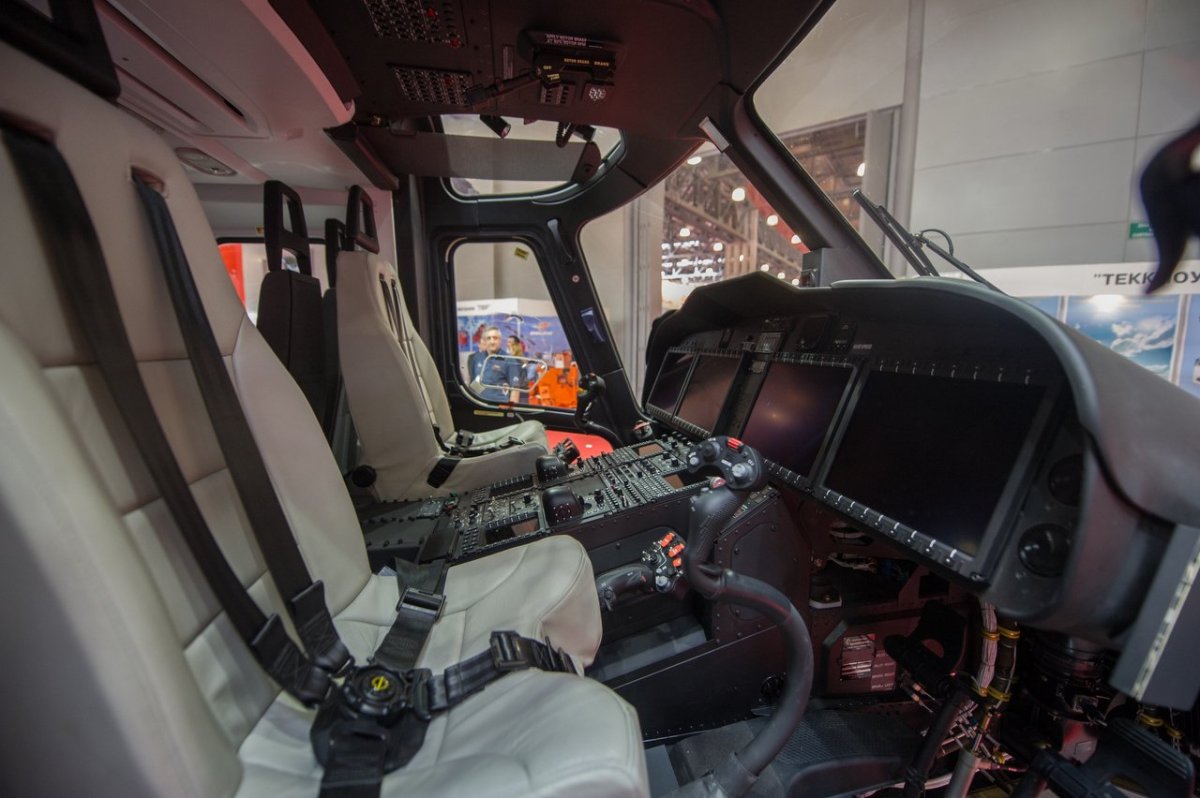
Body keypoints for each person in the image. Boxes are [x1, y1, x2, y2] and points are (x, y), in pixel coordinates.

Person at [467, 325, 520, 403]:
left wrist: (511, 407)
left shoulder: (510, 360)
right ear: (485, 341)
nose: (492, 342)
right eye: (489, 338)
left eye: (495, 338)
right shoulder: (477, 357)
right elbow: (473, 383)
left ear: (500, 340)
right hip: (479, 404)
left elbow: (515, 390)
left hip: (499, 405)